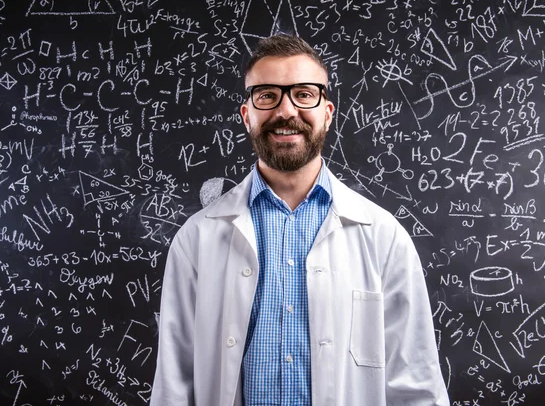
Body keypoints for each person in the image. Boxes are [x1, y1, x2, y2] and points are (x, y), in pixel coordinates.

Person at [150, 34, 450, 406]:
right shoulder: (198, 238)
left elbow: (417, 385)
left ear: (327, 111)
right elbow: (173, 384)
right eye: (267, 95)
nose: (286, 111)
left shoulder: (384, 236)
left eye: (304, 94)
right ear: (247, 115)